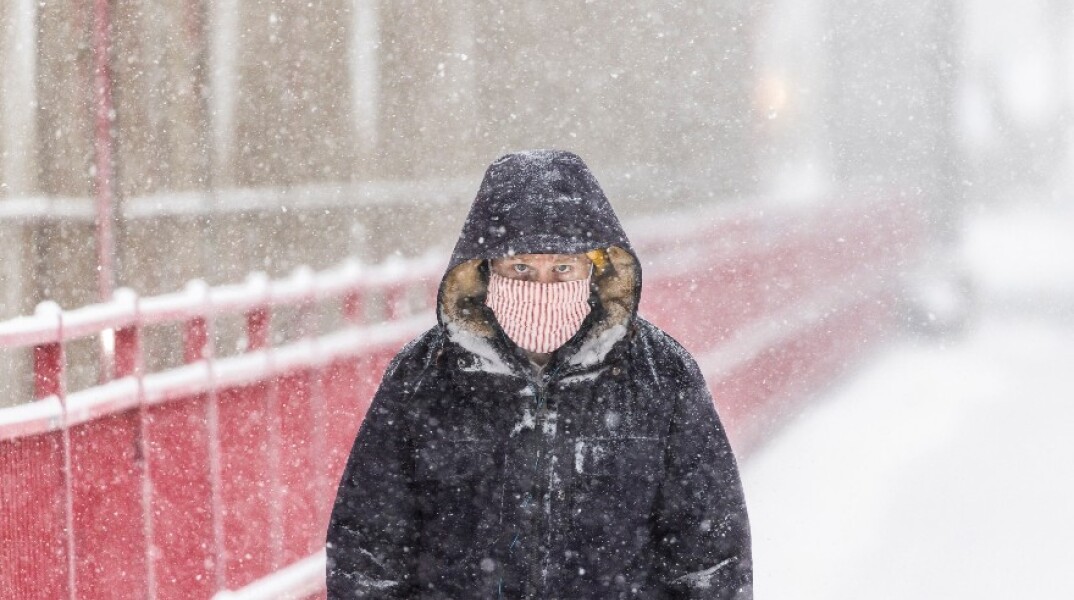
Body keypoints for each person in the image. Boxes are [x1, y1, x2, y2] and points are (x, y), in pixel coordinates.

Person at [327, 150, 752, 599]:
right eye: (521, 268)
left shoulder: (661, 372)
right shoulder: (423, 375)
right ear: (486, 269)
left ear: (595, 269)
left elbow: (710, 553)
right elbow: (368, 549)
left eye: (563, 268)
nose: (542, 287)